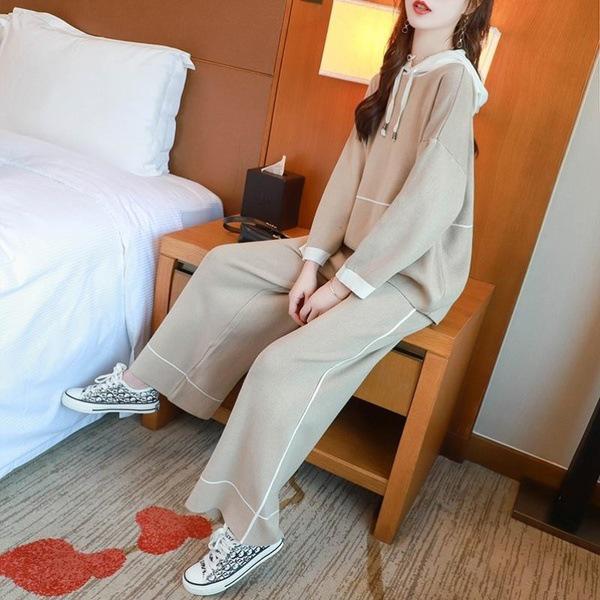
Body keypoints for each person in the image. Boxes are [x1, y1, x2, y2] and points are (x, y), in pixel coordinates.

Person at [61, 0, 492, 595]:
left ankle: (251, 530)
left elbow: (430, 205)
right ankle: (145, 383)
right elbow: (347, 178)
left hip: (408, 275)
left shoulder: (456, 82)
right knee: (224, 266)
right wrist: (313, 261)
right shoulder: (390, 74)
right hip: (351, 254)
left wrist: (342, 285)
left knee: (280, 366)